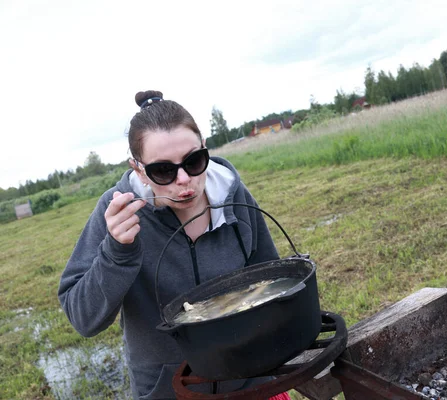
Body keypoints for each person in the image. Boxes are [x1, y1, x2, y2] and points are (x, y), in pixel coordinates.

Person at [58, 90, 286, 399]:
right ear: (138, 169)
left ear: (205, 148)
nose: (183, 180)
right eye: (163, 170)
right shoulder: (117, 211)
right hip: (168, 390)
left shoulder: (234, 196)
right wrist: (116, 253)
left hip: (249, 379)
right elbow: (83, 319)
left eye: (194, 161)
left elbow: (272, 281)